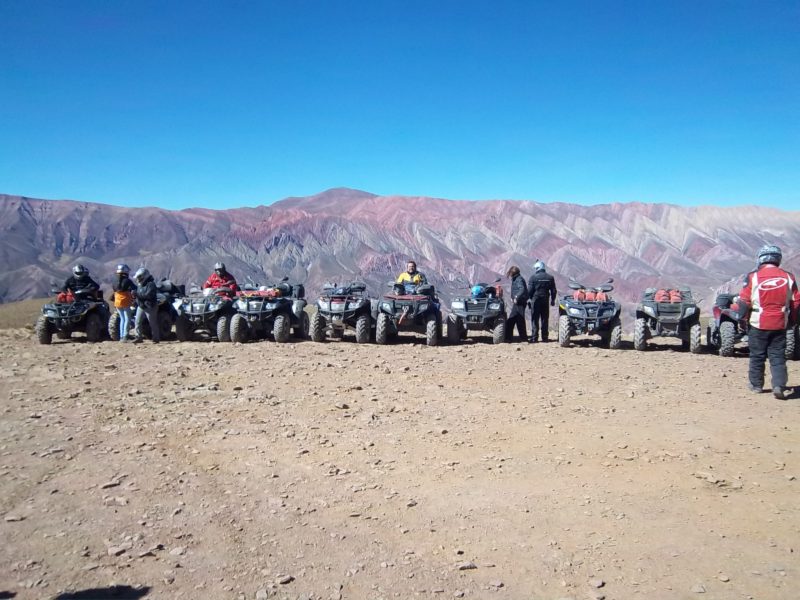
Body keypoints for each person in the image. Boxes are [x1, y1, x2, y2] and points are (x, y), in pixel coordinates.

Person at [738, 245, 800, 399]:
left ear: (761, 258)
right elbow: (796, 301)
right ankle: (779, 385)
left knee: (757, 355)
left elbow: (744, 301)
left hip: (758, 322)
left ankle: (756, 385)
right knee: (778, 356)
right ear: (778, 259)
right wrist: (793, 320)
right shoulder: (788, 277)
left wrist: (742, 319)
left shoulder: (753, 276)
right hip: (780, 322)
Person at [527, 259, 557, 342]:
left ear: (537, 268)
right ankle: (545, 337)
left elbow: (529, 291)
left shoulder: (533, 277)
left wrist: (528, 299)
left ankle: (534, 337)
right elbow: (553, 290)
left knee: (535, 318)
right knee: (544, 318)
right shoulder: (550, 277)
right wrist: (553, 300)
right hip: (545, 300)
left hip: (535, 300)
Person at [132, 267, 160, 344]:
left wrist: (137, 294)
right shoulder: (140, 285)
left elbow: (148, 295)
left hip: (150, 306)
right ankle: (138, 337)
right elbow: (140, 294)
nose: (138, 279)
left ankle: (156, 338)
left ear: (144, 276)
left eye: (139, 277)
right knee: (137, 321)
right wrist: (135, 298)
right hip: (141, 305)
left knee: (152, 323)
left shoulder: (151, 284)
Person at [112, 264, 136, 342]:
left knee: (122, 318)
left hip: (117, 301)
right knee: (127, 318)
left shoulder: (114, 280)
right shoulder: (127, 280)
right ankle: (125, 336)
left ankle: (121, 336)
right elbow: (135, 288)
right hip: (125, 301)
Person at [505, 265, 528, 341]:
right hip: (518, 303)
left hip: (520, 302)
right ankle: (509, 338)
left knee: (518, 321)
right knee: (512, 320)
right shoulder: (516, 279)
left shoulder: (519, 279)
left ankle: (523, 338)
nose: (510, 275)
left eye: (510, 273)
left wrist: (516, 297)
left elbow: (522, 289)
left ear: (513, 273)